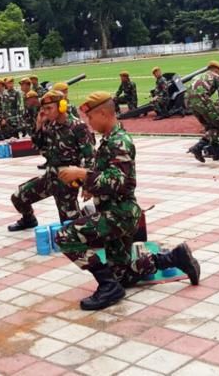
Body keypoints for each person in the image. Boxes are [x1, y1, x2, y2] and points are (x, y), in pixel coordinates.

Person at [55, 91, 200, 311]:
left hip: (119, 214)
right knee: (122, 274)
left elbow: (120, 182)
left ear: (103, 113)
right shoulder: (110, 139)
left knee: (65, 236)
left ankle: (107, 285)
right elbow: (108, 175)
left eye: (91, 117)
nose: (89, 123)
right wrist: (90, 186)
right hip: (117, 211)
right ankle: (173, 258)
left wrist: (83, 174)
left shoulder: (119, 141)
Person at [6, 90, 96, 232]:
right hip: (50, 177)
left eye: (49, 108)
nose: (45, 112)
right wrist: (38, 126)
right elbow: (38, 146)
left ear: (61, 106)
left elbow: (91, 157)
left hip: (68, 181)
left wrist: (88, 185)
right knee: (18, 197)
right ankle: (29, 219)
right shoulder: (49, 125)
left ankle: (89, 215)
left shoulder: (77, 126)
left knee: (69, 226)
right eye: (44, 109)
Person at [186, 60, 219, 162]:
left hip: (189, 103)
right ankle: (198, 147)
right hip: (202, 101)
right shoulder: (215, 76)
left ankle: (216, 152)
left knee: (210, 126)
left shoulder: (198, 76)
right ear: (216, 70)